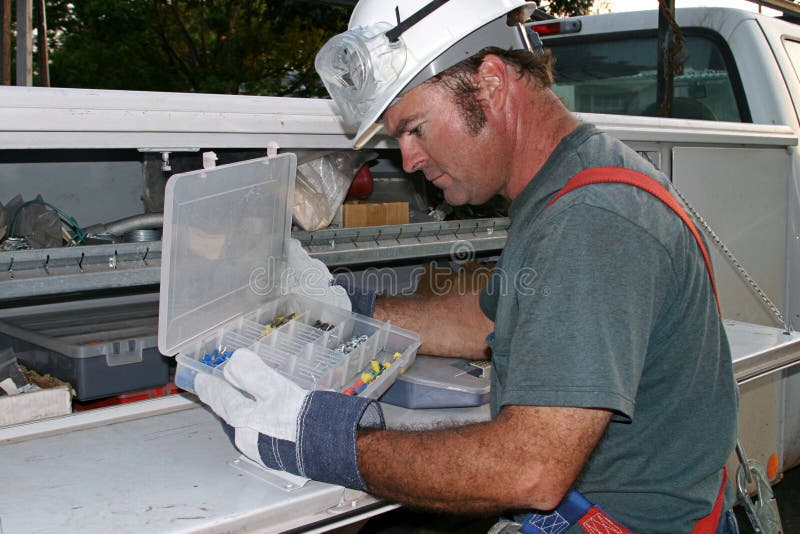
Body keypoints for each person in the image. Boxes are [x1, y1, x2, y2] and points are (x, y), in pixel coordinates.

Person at [196, 1, 740, 532]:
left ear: (491, 83)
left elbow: (529, 469)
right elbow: (490, 321)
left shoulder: (589, 220)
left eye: (414, 128)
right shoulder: (572, 179)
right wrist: (343, 307)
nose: (407, 160)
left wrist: (325, 441)